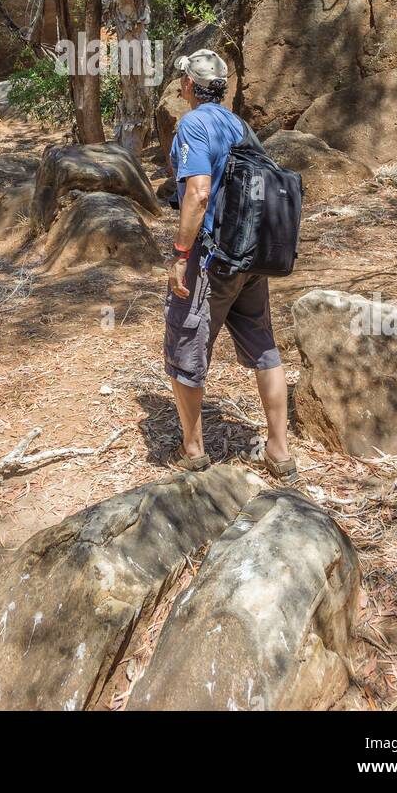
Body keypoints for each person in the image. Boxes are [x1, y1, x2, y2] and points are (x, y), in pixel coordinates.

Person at [164, 48, 297, 483]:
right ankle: (279, 450)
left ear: (188, 86)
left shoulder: (193, 124)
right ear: (223, 88)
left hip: (213, 258)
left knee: (187, 346)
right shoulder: (240, 126)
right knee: (263, 346)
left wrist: (182, 256)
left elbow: (199, 193)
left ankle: (194, 451)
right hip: (253, 257)